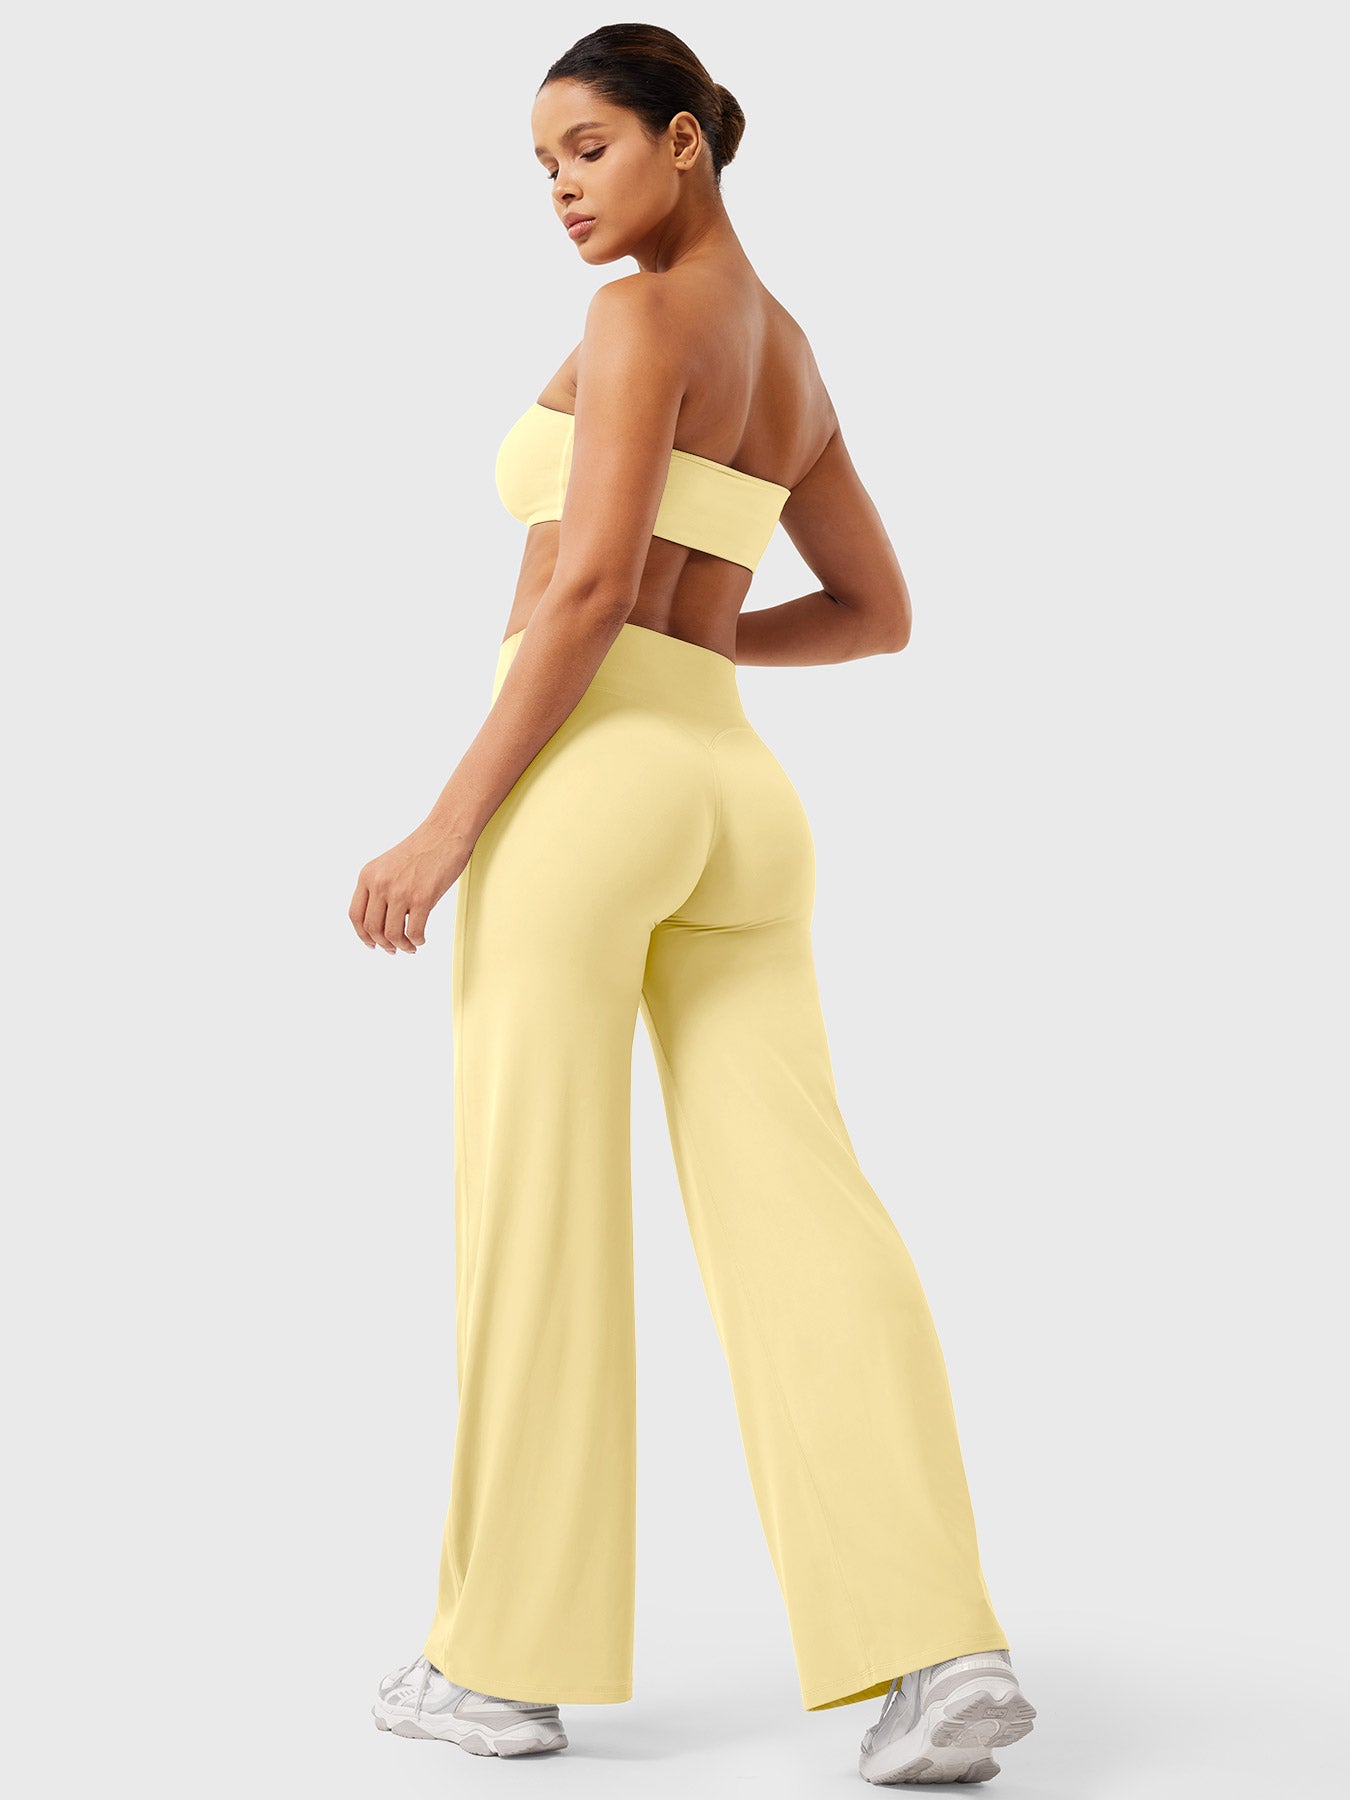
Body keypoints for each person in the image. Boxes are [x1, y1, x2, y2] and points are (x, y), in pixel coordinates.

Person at [348, 21, 1037, 1787]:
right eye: (539, 166)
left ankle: (496, 1668)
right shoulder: (786, 355)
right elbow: (875, 612)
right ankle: (937, 1651)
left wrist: (442, 825)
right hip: (738, 799)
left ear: (684, 141)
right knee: (805, 1210)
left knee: (535, 1213)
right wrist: (705, 644)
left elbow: (584, 590)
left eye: (584, 148)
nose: (559, 189)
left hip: (589, 789)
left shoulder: (633, 319)